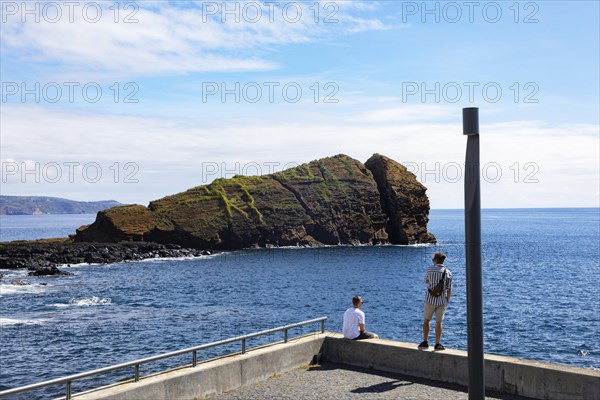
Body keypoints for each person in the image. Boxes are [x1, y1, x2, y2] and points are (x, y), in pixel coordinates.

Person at [419, 252, 452, 350]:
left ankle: (425, 342)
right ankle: (437, 344)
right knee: (439, 322)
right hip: (442, 301)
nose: (432, 261)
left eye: (433, 259)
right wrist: (446, 301)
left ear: (436, 260)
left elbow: (426, 281)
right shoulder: (448, 272)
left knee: (426, 320)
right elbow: (449, 289)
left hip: (430, 299)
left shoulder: (430, 269)